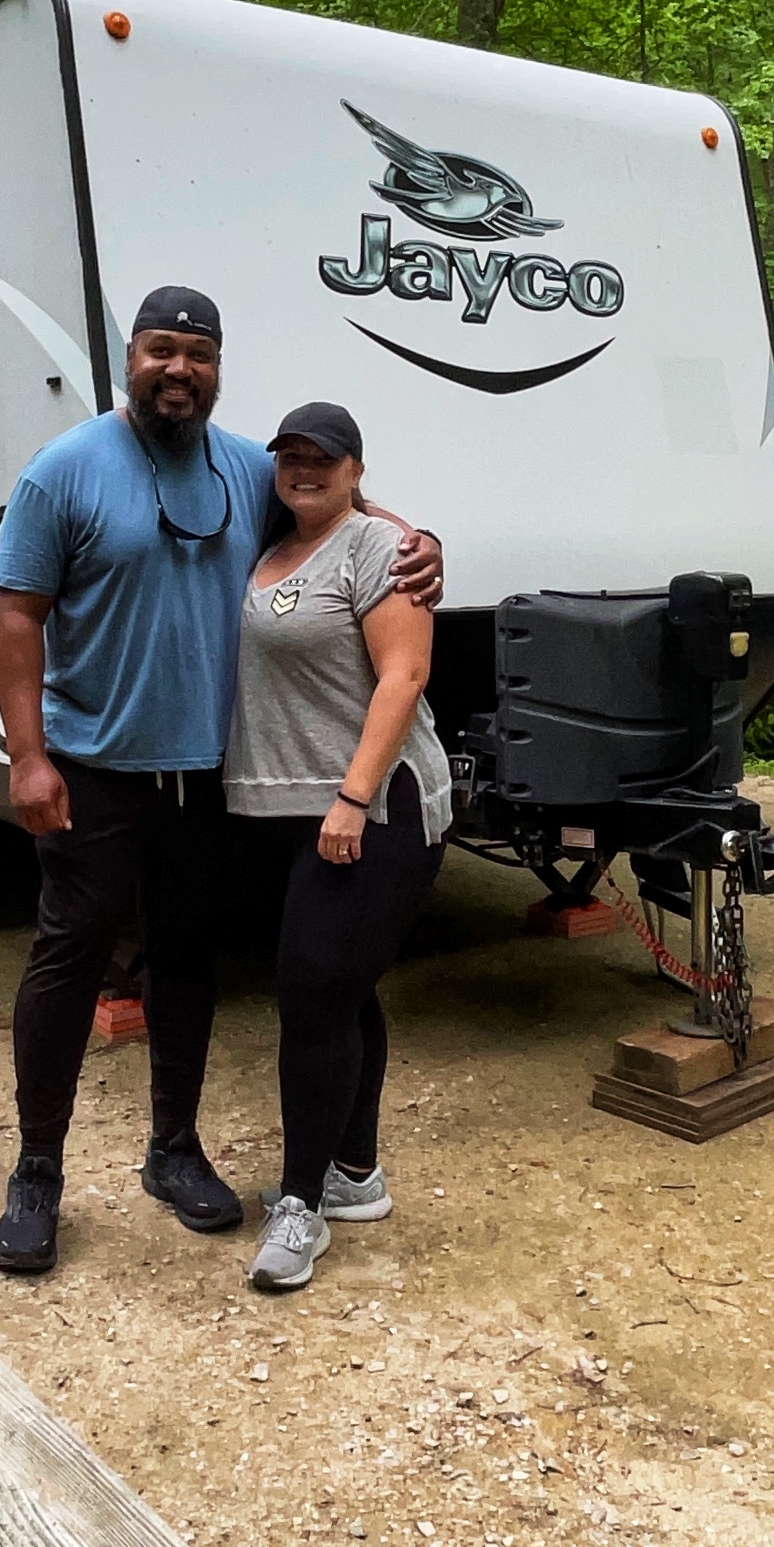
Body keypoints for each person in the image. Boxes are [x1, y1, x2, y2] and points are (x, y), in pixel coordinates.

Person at [0, 288, 438, 1277]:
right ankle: (37, 1172)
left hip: (204, 774)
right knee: (70, 956)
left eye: (197, 352)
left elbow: (343, 510)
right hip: (92, 765)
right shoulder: (63, 471)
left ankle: (173, 1147)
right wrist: (27, 753)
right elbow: (17, 613)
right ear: (131, 358)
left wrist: (418, 540)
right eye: (161, 350)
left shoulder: (246, 464)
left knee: (186, 958)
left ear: (218, 365)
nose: (177, 368)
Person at [223, 398, 452, 1295]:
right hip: (284, 805)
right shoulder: (268, 549)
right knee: (338, 983)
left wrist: (353, 796)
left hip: (373, 804)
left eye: (324, 457)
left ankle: (300, 1203)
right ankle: (355, 1171)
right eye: (290, 456)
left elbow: (407, 673)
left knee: (311, 994)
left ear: (357, 470)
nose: (303, 468)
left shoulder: (378, 550)